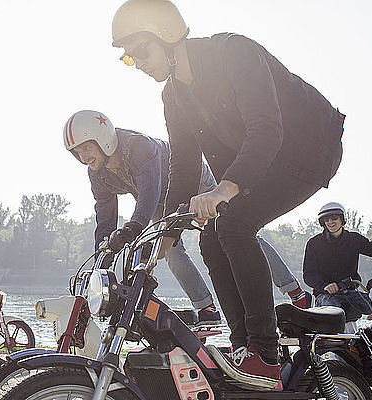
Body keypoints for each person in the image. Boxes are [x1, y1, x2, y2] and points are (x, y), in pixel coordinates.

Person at [111, 0, 344, 389]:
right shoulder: (173, 98)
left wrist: (225, 189)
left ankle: (265, 355)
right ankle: (243, 349)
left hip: (308, 150)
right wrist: (165, 235)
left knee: (234, 223)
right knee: (210, 236)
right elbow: (183, 168)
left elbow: (266, 129)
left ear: (167, 35)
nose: (140, 63)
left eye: (143, 51)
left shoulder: (234, 52)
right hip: (261, 159)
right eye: (131, 58)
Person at [64, 109, 311, 327]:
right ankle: (206, 308)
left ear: (103, 138)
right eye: (77, 152)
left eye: (86, 147)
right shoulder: (97, 172)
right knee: (170, 252)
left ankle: (295, 292)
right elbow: (105, 216)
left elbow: (148, 192)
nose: (83, 156)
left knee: (234, 231)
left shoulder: (139, 147)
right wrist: (103, 255)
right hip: (163, 200)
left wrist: (135, 227)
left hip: (192, 183)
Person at [303, 202, 372, 319]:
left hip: (352, 292)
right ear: (323, 222)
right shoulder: (314, 243)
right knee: (332, 317)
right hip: (326, 295)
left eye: (334, 218)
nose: (330, 222)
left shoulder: (354, 239)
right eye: (326, 219)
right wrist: (325, 285)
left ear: (342, 219)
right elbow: (308, 275)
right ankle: (331, 337)